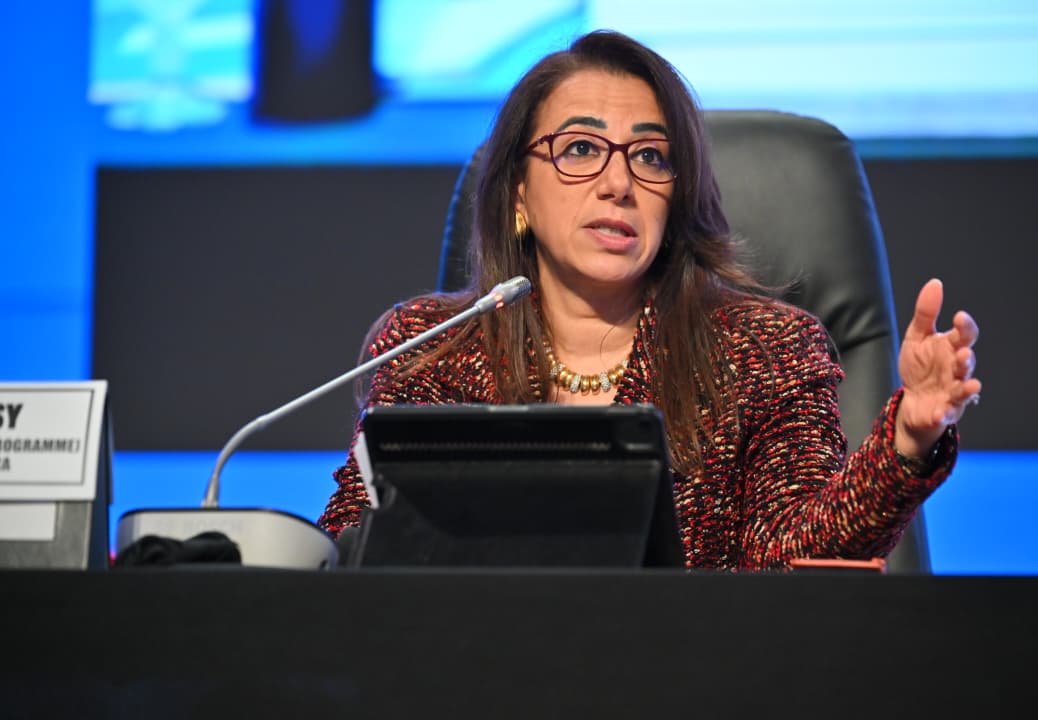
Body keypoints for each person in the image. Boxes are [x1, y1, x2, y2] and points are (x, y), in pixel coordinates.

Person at [319, 30, 981, 570]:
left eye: (651, 157)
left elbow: (793, 562)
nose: (619, 183)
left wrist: (906, 438)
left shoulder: (766, 350)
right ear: (519, 193)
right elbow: (348, 555)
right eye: (581, 148)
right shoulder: (432, 348)